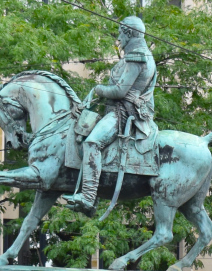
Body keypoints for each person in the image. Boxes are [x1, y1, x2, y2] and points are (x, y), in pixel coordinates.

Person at [62, 16, 157, 214]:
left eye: (121, 33)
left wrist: (98, 89)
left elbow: (120, 91)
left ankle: (88, 197)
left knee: (92, 143)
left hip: (123, 113)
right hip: (121, 110)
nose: (119, 38)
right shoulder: (141, 54)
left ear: (129, 33)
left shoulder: (137, 55)